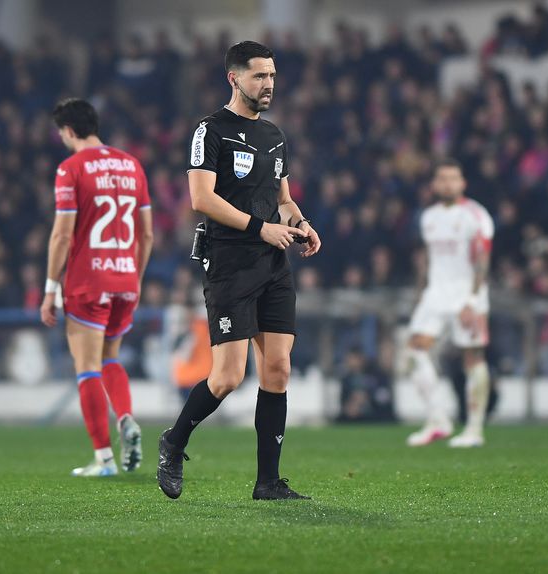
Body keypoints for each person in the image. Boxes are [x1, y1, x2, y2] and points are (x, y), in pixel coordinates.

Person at [157, 41, 321, 500]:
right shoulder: (210, 130)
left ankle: (267, 482)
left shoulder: (274, 134)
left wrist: (302, 226)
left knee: (278, 369)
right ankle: (173, 441)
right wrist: (261, 228)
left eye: (271, 76)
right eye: (259, 77)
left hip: (273, 263)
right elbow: (201, 199)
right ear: (235, 78)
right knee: (228, 376)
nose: (268, 84)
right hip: (229, 262)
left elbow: (284, 199)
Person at [40, 98, 153, 476]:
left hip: (88, 281)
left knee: (86, 366)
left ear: (68, 131)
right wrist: (134, 279)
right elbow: (147, 234)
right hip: (125, 278)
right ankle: (124, 417)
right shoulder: (131, 165)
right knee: (110, 359)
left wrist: (49, 289)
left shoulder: (70, 168)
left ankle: (104, 459)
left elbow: (61, 235)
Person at [405, 159, 495, 448]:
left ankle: (474, 429)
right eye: (442, 179)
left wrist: (472, 300)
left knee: (473, 357)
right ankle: (438, 419)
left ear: (463, 183)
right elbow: (428, 259)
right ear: (434, 184)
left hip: (466, 295)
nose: (447, 184)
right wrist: (421, 292)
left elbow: (483, 260)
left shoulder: (476, 215)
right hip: (435, 294)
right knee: (414, 351)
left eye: (453, 178)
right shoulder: (428, 217)